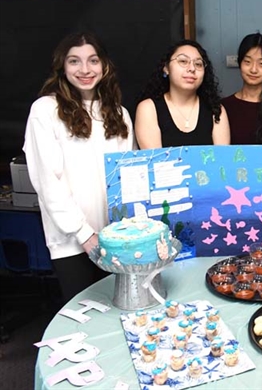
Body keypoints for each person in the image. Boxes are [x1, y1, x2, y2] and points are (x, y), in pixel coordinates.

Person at [23, 32, 136, 303]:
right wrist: (84, 233)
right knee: (84, 318)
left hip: (116, 239)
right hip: (72, 241)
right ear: (62, 66)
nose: (85, 70)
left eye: (93, 61)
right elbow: (48, 180)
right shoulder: (45, 110)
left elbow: (128, 175)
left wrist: (129, 231)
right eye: (75, 61)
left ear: (104, 65)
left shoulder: (119, 114)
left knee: (120, 313)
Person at [135, 40, 230, 148]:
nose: (192, 68)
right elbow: (156, 161)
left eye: (198, 64)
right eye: (183, 61)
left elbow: (221, 159)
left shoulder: (216, 110)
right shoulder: (148, 108)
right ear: (166, 68)